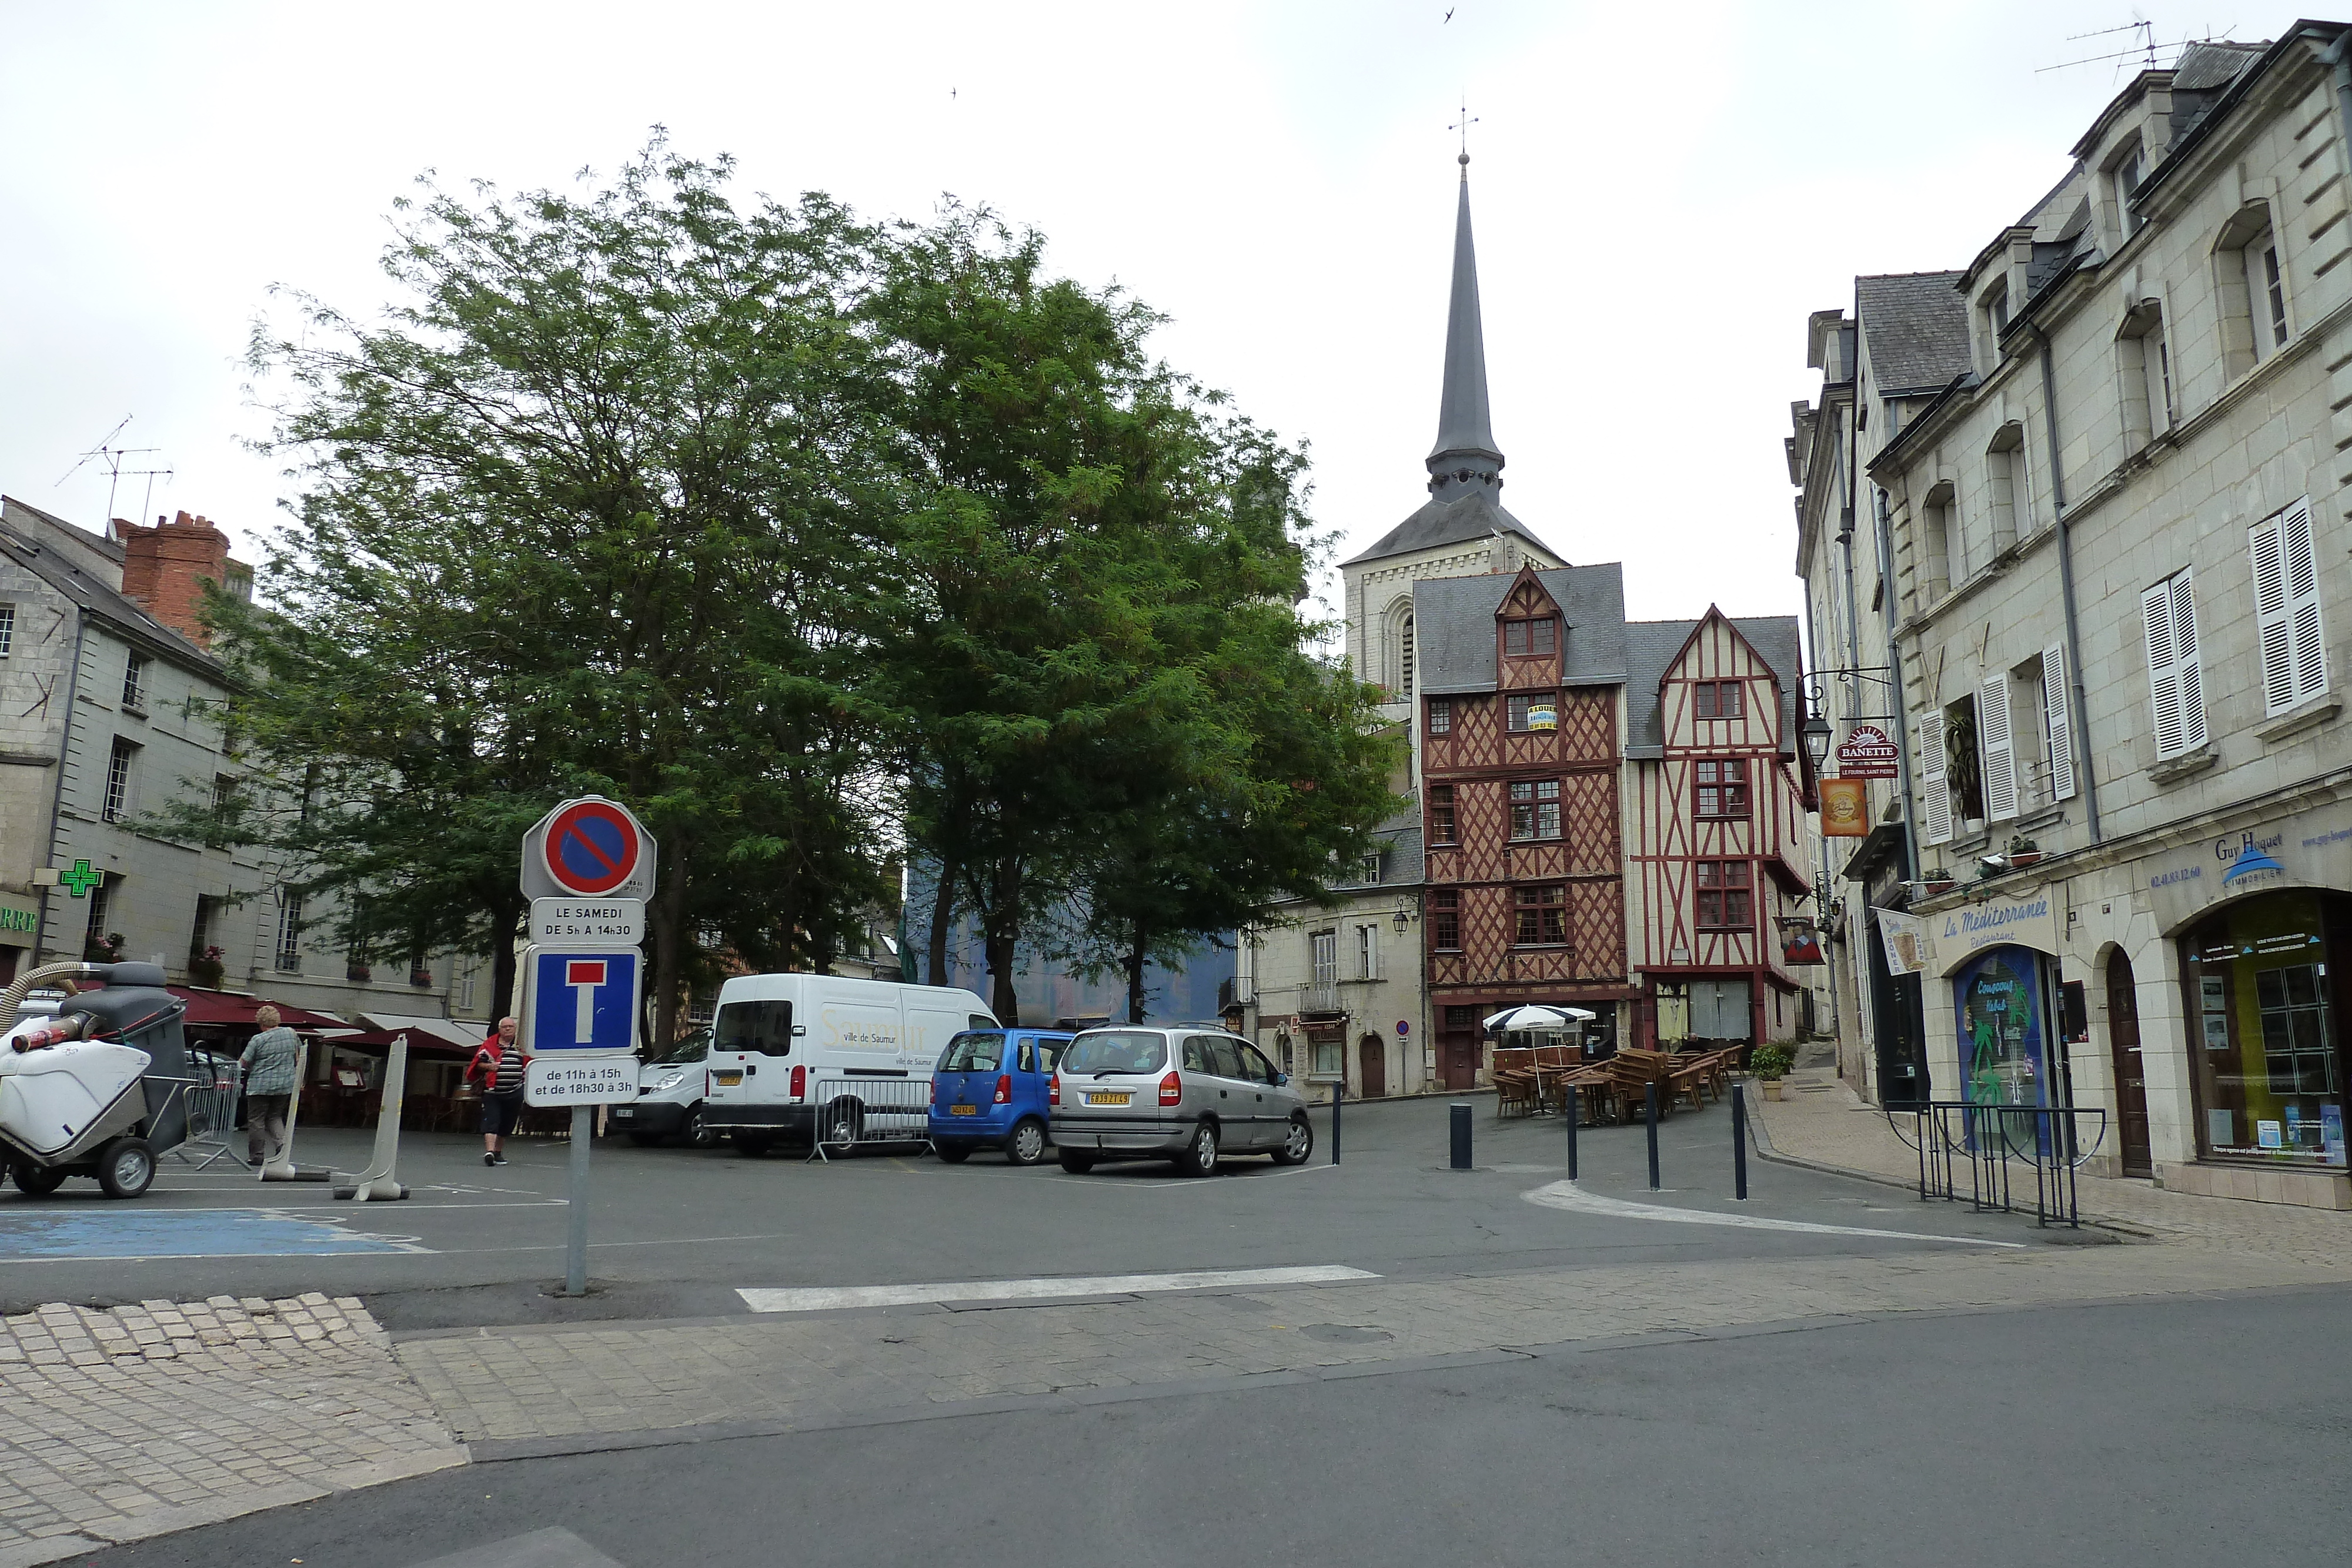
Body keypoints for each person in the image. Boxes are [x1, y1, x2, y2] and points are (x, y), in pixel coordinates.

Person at [238, 1005, 302, 1166]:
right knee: (275, 1116)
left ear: (261, 1023)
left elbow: (244, 1062)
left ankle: (257, 1155)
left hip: (260, 1085)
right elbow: (300, 1055)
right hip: (285, 1084)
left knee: (256, 1120)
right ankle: (281, 1145)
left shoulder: (258, 1039)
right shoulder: (291, 1034)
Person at [467, 1016, 527, 1167]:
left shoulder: (522, 1045)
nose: (507, 1029)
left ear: (515, 1029)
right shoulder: (489, 1044)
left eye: (510, 1027)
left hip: (515, 1091)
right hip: (493, 1091)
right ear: (499, 1029)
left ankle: (498, 1152)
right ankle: (490, 1152)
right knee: (491, 1121)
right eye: (504, 1027)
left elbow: (530, 1062)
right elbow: (478, 1063)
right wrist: (489, 1067)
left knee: (508, 1123)